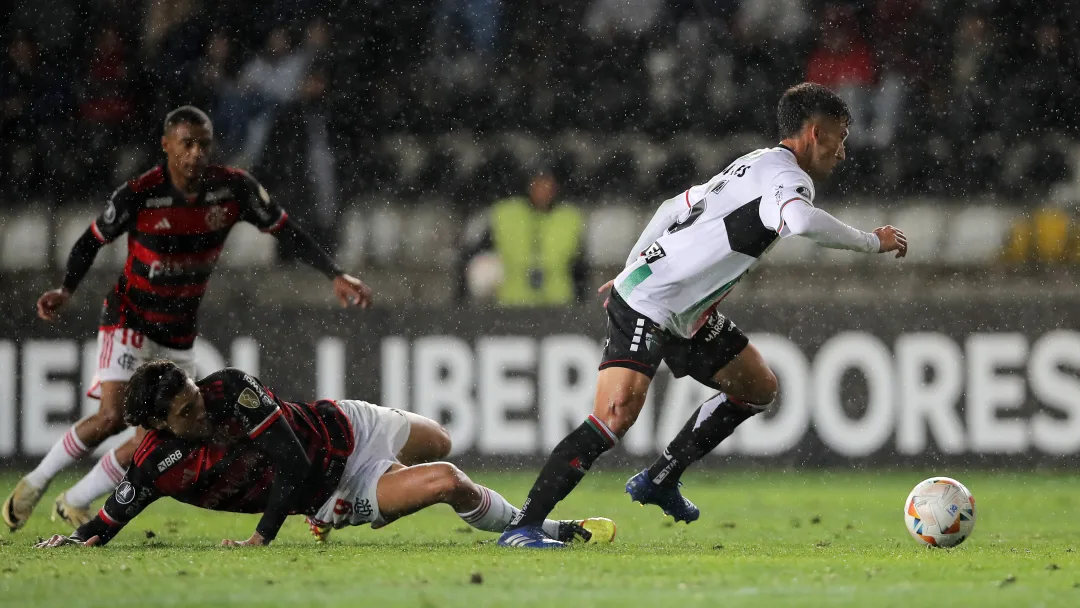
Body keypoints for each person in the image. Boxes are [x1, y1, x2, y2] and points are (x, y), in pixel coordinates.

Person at [498, 83, 908, 548]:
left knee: (757, 387)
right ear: (815, 133)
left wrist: (631, 264)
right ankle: (523, 526)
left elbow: (673, 207)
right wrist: (873, 241)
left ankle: (661, 478)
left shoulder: (753, 163)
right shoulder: (789, 179)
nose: (844, 151)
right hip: (651, 301)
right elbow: (801, 221)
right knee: (616, 414)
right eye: (841, 137)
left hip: (687, 312)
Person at [3, 105, 373, 532]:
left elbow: (285, 229)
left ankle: (75, 499)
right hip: (130, 317)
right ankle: (35, 483)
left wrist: (334, 274)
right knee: (113, 417)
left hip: (178, 331)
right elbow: (90, 241)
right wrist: (66, 289)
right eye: (187, 144)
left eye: (203, 144)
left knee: (156, 438)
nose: (196, 153)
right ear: (166, 146)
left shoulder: (233, 190)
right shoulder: (141, 193)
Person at [34, 361, 615, 548]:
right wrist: (75, 540)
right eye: (185, 414)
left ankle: (392, 484)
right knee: (447, 481)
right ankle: (532, 528)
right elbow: (111, 518)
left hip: (348, 426)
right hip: (334, 492)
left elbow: (288, 460)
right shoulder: (157, 463)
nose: (200, 413)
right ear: (156, 425)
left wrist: (260, 534)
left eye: (193, 397)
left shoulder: (231, 387)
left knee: (439, 440)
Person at [458, 167, 587, 306]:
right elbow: (475, 257)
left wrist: (580, 301)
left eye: (547, 184)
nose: (543, 190)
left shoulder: (570, 218)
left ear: (556, 188)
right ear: (529, 185)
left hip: (558, 302)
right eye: (538, 184)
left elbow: (581, 267)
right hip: (512, 302)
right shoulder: (504, 214)